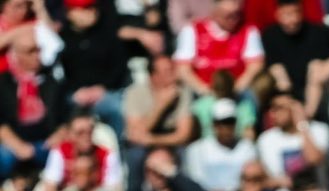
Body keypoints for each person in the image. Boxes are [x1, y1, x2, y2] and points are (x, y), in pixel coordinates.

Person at [0, 29, 67, 176]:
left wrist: (58, 136)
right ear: (16, 55)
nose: (36, 56)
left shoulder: (52, 81)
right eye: (30, 51)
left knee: (62, 154)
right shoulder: (4, 83)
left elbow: (65, 117)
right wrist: (18, 146)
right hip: (14, 144)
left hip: (46, 143)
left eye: (38, 50)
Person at [59, 0, 129, 138]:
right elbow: (59, 74)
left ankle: (119, 147)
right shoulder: (61, 39)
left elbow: (119, 68)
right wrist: (77, 91)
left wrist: (102, 88)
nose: (92, 12)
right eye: (85, 9)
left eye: (93, 7)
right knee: (60, 108)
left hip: (106, 92)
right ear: (70, 13)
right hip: (75, 94)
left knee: (117, 108)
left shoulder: (108, 34)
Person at [173, 0, 265, 97]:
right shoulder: (192, 30)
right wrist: (205, 91)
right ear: (215, 12)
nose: (233, 19)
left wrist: (236, 89)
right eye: (228, 16)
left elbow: (255, 67)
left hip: (238, 93)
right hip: (202, 94)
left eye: (236, 15)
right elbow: (183, 70)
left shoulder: (249, 31)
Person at [123, 53, 196, 174]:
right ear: (153, 77)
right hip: (144, 142)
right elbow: (135, 134)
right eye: (167, 72)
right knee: (135, 155)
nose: (173, 75)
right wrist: (161, 105)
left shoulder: (183, 92)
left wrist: (153, 140)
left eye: (172, 70)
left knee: (186, 155)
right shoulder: (135, 93)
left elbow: (184, 135)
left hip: (170, 141)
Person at [256, 90, 329, 191]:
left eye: (279, 107)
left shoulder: (319, 130)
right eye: (272, 108)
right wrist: (278, 182)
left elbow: (314, 159)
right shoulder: (265, 140)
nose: (273, 113)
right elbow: (262, 179)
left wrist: (302, 124)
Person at [184, 98, 257, 191]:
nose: (226, 128)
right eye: (221, 123)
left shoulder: (247, 148)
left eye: (230, 122)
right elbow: (196, 181)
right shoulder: (196, 149)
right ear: (214, 124)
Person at [42, 110, 122, 191]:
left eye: (89, 132)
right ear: (70, 134)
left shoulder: (107, 156)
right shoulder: (59, 152)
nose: (86, 137)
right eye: (80, 133)